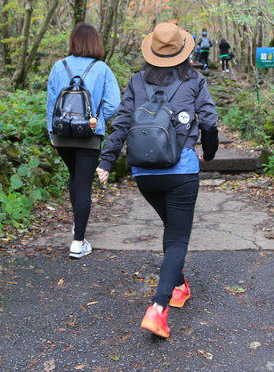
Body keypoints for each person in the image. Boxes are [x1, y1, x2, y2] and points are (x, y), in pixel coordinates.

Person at [96, 22, 219, 338]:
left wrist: (107, 160)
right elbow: (208, 121)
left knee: (172, 229)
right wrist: (209, 151)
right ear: (183, 51)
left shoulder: (137, 81)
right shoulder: (194, 80)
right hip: (181, 172)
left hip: (144, 173)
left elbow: (122, 122)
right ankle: (158, 308)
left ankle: (178, 285)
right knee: (177, 238)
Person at [46, 23, 121, 259]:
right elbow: (114, 103)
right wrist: (97, 120)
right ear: (96, 42)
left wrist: (51, 132)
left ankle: (78, 224)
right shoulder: (102, 69)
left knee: (75, 177)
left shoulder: (59, 67)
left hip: (62, 135)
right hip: (89, 134)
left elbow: (50, 104)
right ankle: (78, 241)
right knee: (83, 183)